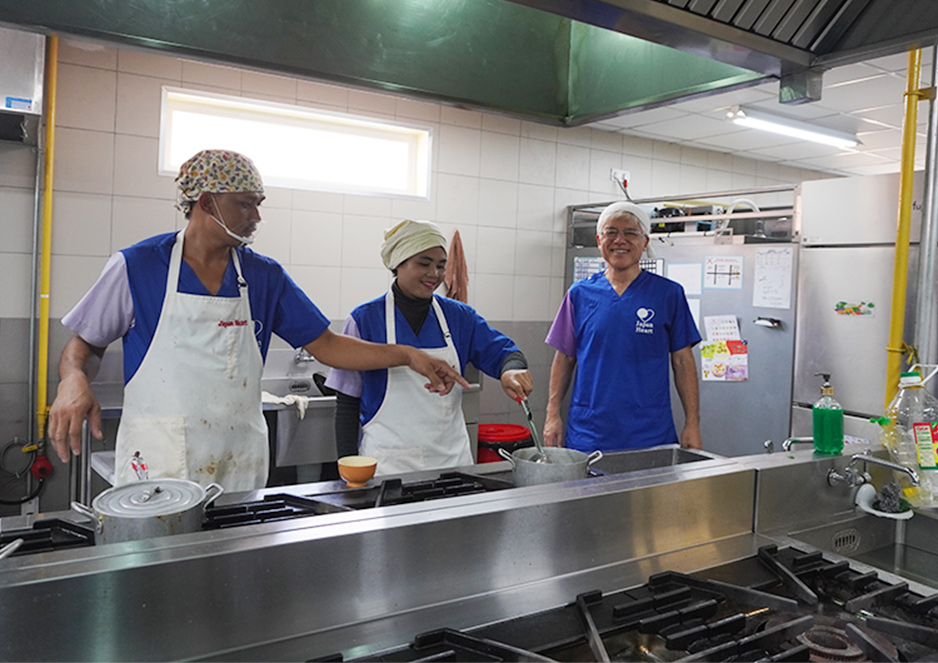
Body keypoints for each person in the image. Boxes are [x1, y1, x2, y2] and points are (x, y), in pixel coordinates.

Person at [47, 149, 467, 492]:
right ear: (206, 202)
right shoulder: (137, 266)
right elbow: (84, 346)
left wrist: (408, 355)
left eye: (258, 205)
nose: (256, 217)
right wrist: (72, 379)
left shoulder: (264, 277)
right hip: (160, 463)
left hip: (238, 464)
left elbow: (329, 346)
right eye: (245, 204)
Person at [326, 219, 533, 475]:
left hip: (451, 463)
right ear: (398, 264)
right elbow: (347, 403)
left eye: (440, 265)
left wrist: (511, 370)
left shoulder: (459, 317)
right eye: (423, 264)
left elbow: (504, 353)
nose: (434, 274)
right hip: (386, 466)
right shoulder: (365, 320)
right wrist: (347, 469)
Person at [543, 201, 702, 454]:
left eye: (630, 233)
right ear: (599, 240)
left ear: (645, 242)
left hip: (650, 432)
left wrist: (692, 423)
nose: (620, 240)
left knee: (648, 494)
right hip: (589, 432)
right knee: (587, 493)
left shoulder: (668, 294)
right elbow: (564, 358)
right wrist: (552, 415)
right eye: (611, 232)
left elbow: (683, 361)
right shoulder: (579, 294)